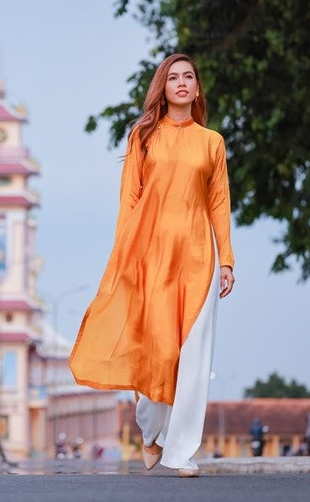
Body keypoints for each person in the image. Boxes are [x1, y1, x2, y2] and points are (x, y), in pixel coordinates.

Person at [70, 53, 235, 478]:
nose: (181, 83)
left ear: (197, 89)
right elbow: (129, 198)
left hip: (199, 257)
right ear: (162, 87)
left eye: (189, 77)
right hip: (152, 255)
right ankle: (150, 431)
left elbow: (219, 203)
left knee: (193, 357)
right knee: (160, 351)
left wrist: (227, 261)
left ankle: (181, 451)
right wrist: (124, 253)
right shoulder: (143, 136)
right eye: (173, 77)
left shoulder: (212, 142)